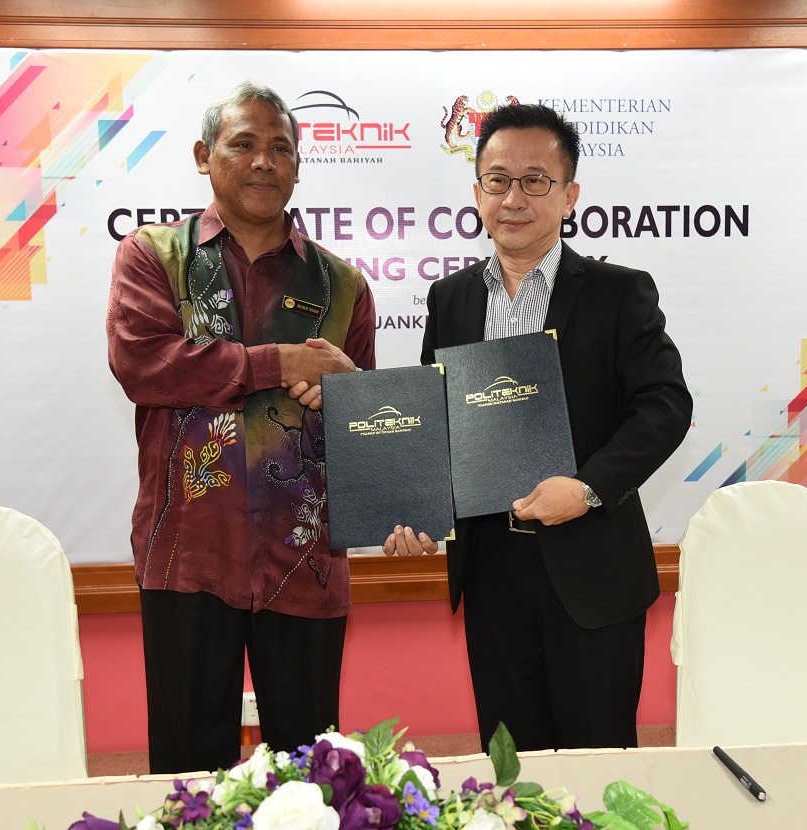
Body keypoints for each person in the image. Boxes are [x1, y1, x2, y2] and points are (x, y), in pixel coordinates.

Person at [384, 104, 691, 751]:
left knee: (598, 763)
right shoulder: (451, 298)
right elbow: (434, 423)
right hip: (490, 569)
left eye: (534, 180)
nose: (513, 198)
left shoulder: (618, 292)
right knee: (512, 769)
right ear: (477, 193)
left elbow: (665, 405)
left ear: (569, 195)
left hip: (591, 568)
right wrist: (414, 505)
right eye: (498, 180)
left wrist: (586, 488)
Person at [107, 81, 376, 773]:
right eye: (244, 144)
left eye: (280, 148)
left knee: (311, 780)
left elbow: (366, 429)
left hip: (306, 561)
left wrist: (348, 392)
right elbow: (145, 365)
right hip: (188, 556)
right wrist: (278, 363)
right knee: (189, 779)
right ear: (204, 156)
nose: (264, 161)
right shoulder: (154, 255)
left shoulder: (344, 285)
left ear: (298, 166)